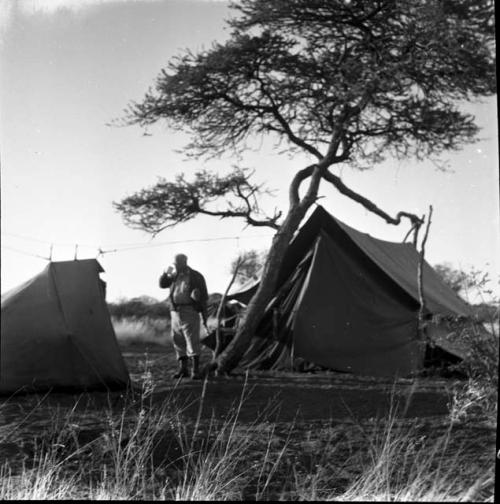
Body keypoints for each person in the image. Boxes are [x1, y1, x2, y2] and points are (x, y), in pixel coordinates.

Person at [159, 253, 208, 379]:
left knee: (192, 340)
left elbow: (204, 297)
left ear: (184, 262)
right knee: (178, 340)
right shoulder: (173, 276)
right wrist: (166, 273)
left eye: (177, 263)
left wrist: (203, 313)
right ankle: (183, 369)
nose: (175, 265)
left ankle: (195, 371)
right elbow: (162, 284)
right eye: (174, 263)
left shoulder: (196, 276)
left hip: (190, 310)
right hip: (175, 311)